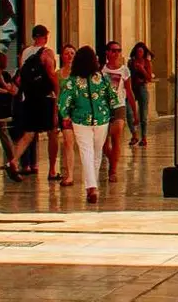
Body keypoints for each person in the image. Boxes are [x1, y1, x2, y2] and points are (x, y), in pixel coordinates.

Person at [57, 46, 117, 205]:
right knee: (96, 153)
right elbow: (113, 98)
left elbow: (63, 102)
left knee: (86, 152)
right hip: (101, 120)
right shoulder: (103, 79)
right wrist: (110, 112)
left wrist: (65, 116)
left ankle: (92, 186)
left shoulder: (72, 81)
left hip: (80, 120)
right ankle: (92, 184)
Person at [9, 26, 58, 180]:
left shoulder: (24, 53)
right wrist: (58, 94)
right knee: (52, 132)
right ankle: (52, 170)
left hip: (29, 97)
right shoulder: (46, 53)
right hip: (45, 98)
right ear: (46, 36)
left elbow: (20, 77)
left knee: (29, 133)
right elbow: (51, 75)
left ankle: (14, 160)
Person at [101, 41, 132, 178]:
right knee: (104, 143)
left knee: (117, 133)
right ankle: (112, 159)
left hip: (119, 105)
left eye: (119, 50)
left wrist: (134, 112)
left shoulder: (124, 70)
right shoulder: (101, 70)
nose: (116, 53)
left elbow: (129, 91)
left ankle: (113, 170)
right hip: (104, 107)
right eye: (113, 50)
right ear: (107, 52)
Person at [56, 43, 80, 185]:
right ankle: (69, 175)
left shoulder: (80, 74)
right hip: (65, 113)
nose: (69, 56)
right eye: (67, 53)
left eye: (72, 53)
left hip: (80, 112)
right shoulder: (58, 74)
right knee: (68, 142)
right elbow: (57, 94)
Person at [127, 41, 154, 146]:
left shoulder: (147, 63)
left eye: (141, 51)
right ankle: (134, 135)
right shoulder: (130, 62)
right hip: (131, 89)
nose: (139, 53)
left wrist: (142, 69)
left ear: (144, 52)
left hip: (142, 88)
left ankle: (144, 138)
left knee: (143, 116)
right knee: (129, 113)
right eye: (138, 51)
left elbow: (149, 78)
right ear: (135, 51)